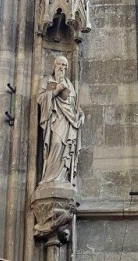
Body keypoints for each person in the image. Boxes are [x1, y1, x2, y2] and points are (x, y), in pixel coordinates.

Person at [37, 56, 83, 184]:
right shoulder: (46, 81)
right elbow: (39, 99)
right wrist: (55, 92)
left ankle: (62, 177)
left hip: (69, 122)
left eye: (64, 65)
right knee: (56, 144)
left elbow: (74, 106)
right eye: (59, 64)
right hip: (55, 119)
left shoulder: (70, 85)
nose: (62, 67)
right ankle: (49, 177)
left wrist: (81, 115)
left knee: (66, 148)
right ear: (54, 66)